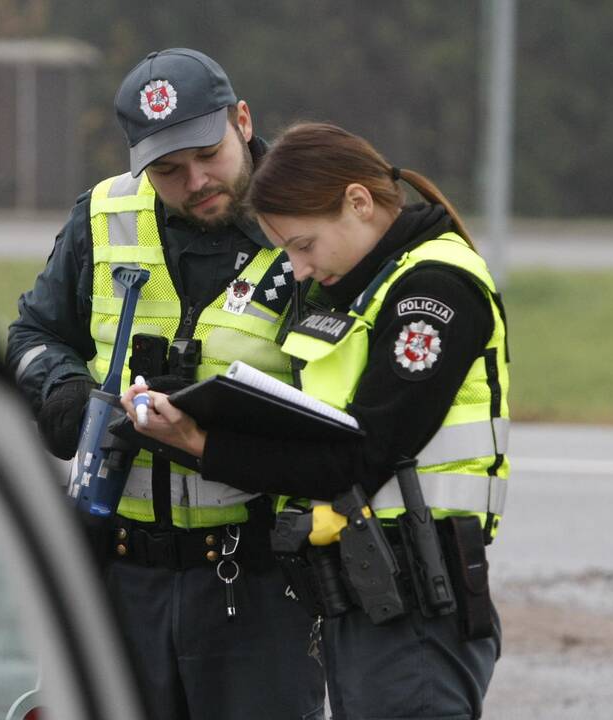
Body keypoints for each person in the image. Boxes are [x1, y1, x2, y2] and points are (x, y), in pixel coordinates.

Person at [122, 122, 510, 719]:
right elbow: (318, 425)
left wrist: (203, 442)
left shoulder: (433, 291)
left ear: (358, 201)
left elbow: (356, 458)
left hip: (416, 606)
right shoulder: (365, 291)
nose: (299, 270)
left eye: (303, 246)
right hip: (368, 597)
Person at [6, 50, 325, 720]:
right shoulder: (102, 216)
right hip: (121, 575)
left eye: (207, 155)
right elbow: (32, 337)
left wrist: (220, 432)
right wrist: (65, 399)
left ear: (242, 121)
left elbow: (345, 399)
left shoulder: (312, 223)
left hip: (259, 580)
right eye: (167, 169)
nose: (195, 181)